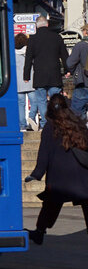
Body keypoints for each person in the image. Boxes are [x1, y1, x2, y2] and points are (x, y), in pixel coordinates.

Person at [25, 92, 88, 244]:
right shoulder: (79, 124)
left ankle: (40, 232)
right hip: (82, 176)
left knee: (50, 203)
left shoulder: (50, 127)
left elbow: (44, 154)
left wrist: (36, 174)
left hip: (59, 177)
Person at [24, 16, 68, 128]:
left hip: (40, 75)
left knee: (41, 101)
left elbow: (28, 58)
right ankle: (58, 122)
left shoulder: (32, 39)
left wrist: (26, 75)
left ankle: (45, 124)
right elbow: (64, 55)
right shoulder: (57, 37)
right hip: (54, 74)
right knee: (56, 100)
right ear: (47, 24)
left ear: (36, 26)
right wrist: (68, 70)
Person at [15, 33, 37, 131]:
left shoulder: (12, 53)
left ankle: (22, 125)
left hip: (19, 82)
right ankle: (31, 118)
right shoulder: (30, 51)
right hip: (30, 80)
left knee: (21, 104)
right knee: (35, 102)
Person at [66, 24, 88, 120]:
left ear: (85, 32)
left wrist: (73, 71)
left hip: (83, 82)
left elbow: (70, 63)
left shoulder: (80, 45)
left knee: (76, 114)